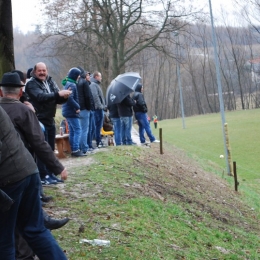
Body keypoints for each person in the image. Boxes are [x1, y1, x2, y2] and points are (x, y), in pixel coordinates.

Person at [0, 72, 70, 259]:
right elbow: (40, 142)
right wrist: (57, 167)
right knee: (35, 229)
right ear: (21, 91)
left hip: (9, 178)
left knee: (4, 239)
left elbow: (38, 142)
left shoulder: (22, 110)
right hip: (29, 170)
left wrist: (56, 167)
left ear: (1, 92)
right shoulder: (23, 110)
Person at [25, 62, 72, 183]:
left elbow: (57, 98)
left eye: (44, 70)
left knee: (50, 149)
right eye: (39, 71)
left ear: (47, 71)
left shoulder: (50, 81)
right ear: (34, 72)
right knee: (42, 150)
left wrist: (64, 97)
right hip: (39, 120)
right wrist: (58, 94)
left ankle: (50, 174)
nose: (42, 73)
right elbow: (40, 97)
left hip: (50, 118)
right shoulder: (31, 84)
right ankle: (43, 175)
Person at [62, 67, 86, 157]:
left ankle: (73, 149)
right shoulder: (72, 85)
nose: (79, 77)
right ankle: (76, 149)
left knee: (72, 131)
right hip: (71, 111)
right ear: (75, 75)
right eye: (78, 75)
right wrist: (77, 107)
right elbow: (70, 98)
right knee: (78, 130)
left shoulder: (67, 83)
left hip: (67, 111)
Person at [77, 67, 95, 153]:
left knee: (80, 130)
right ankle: (84, 148)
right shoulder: (84, 83)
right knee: (85, 130)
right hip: (84, 108)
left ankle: (80, 147)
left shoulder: (76, 83)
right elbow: (87, 96)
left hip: (79, 108)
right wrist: (89, 107)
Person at [89, 71, 106, 148]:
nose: (101, 78)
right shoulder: (93, 85)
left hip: (99, 108)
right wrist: (100, 106)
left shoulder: (96, 85)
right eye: (100, 76)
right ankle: (98, 142)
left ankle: (99, 141)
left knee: (98, 126)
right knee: (97, 126)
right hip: (97, 109)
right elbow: (95, 97)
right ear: (96, 77)